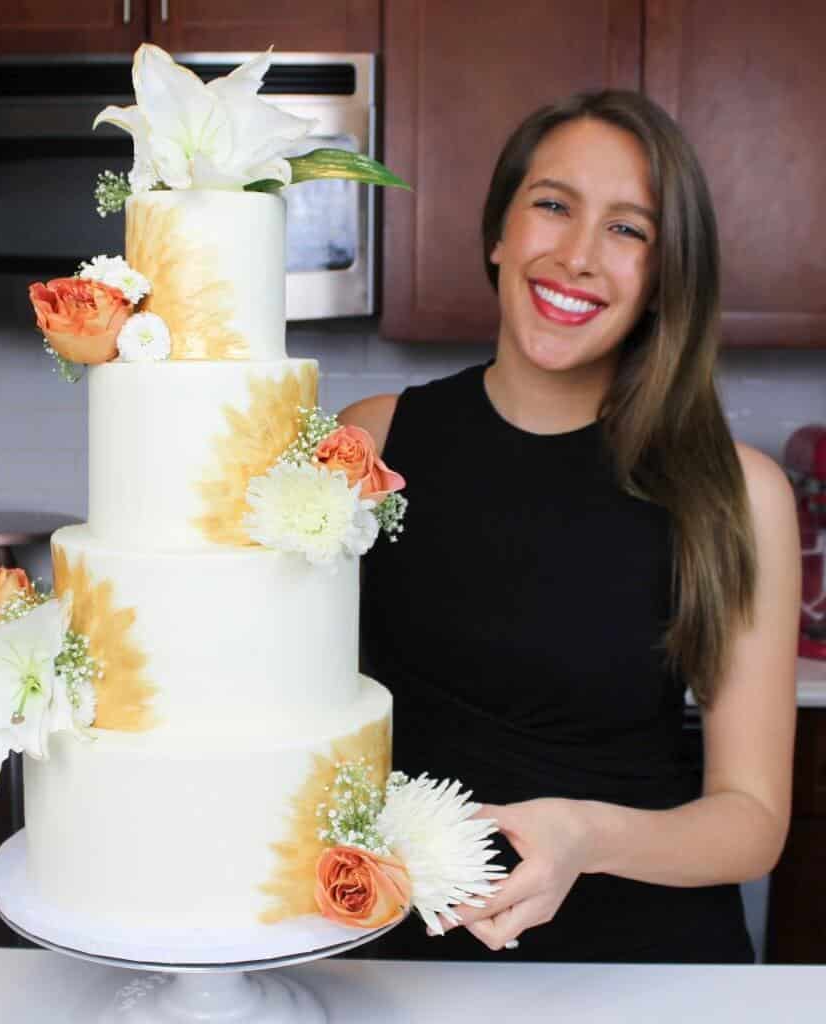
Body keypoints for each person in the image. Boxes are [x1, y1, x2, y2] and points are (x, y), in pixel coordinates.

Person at [342, 91, 800, 963]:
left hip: (638, 962)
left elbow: (750, 821)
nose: (579, 255)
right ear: (499, 234)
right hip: (397, 954)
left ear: (667, 275)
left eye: (630, 230)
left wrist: (587, 838)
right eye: (553, 205)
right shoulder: (373, 442)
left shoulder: (737, 494)